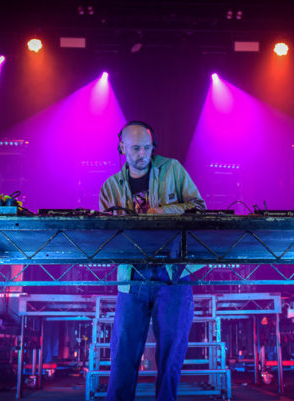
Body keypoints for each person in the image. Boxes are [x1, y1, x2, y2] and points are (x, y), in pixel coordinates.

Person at [99, 121, 205, 401]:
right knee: (123, 352)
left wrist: (158, 212)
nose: (143, 154)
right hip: (132, 274)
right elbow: (107, 236)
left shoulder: (173, 169)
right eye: (136, 148)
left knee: (172, 350)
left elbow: (198, 207)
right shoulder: (110, 187)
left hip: (173, 271)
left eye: (147, 147)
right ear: (121, 147)